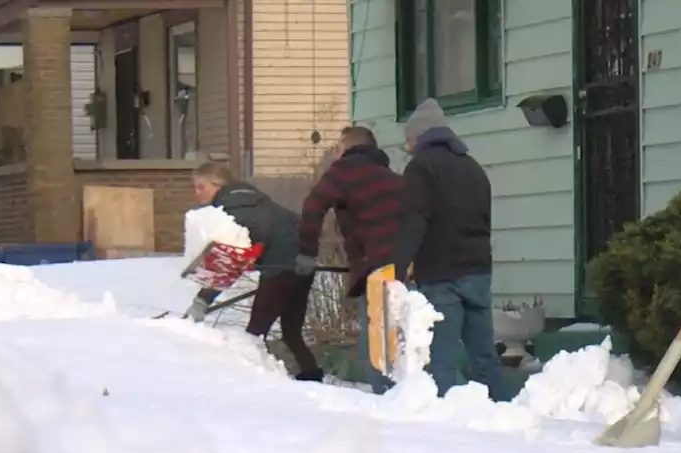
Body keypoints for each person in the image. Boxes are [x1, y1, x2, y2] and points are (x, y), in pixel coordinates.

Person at [399, 98, 505, 399]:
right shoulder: (473, 168)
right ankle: (505, 413)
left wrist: (398, 266)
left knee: (441, 359)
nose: (406, 147)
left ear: (419, 136)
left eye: (407, 140)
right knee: (484, 357)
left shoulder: (421, 168)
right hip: (478, 271)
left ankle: (448, 428)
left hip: (440, 273)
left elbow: (413, 221)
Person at [187, 161, 324, 383]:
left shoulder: (233, 211)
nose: (196, 194)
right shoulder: (253, 200)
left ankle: (252, 383)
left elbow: (230, 261)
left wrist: (202, 301)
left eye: (201, 187)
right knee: (291, 330)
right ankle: (312, 376)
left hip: (280, 269)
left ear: (217, 186)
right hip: (302, 265)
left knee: (253, 335)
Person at [300, 126, 412, 394]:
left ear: (347, 148)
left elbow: (313, 206)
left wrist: (306, 251)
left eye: (337, 149)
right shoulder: (391, 177)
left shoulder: (345, 170)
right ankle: (407, 395)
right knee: (403, 336)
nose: (334, 156)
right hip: (406, 265)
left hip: (376, 266)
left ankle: (386, 398)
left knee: (375, 339)